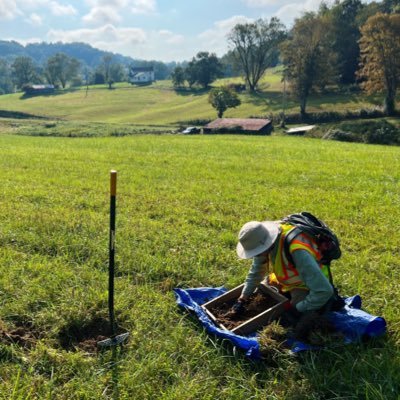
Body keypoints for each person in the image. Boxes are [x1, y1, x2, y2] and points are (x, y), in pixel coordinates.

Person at [232, 219, 337, 322]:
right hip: (288, 279)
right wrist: (242, 298)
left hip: (309, 283)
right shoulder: (266, 239)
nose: (256, 256)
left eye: (257, 252)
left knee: (293, 315)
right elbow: (257, 271)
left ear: (265, 246)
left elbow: (324, 291)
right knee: (262, 292)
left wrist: (295, 309)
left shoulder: (297, 251)